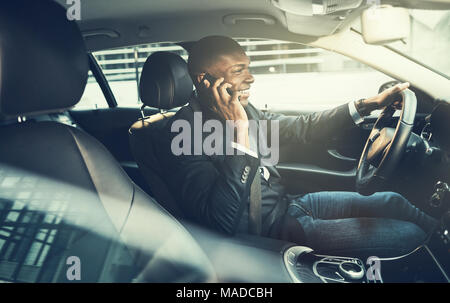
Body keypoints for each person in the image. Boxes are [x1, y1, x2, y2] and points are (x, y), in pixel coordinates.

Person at [156, 35, 437, 258]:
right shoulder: (184, 134)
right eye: (238, 71)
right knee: (408, 236)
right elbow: (219, 221)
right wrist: (238, 131)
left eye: (248, 68)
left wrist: (369, 105)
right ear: (204, 81)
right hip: (270, 233)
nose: (251, 78)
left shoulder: (242, 107)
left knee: (393, 201)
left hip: (290, 206)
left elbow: (303, 126)